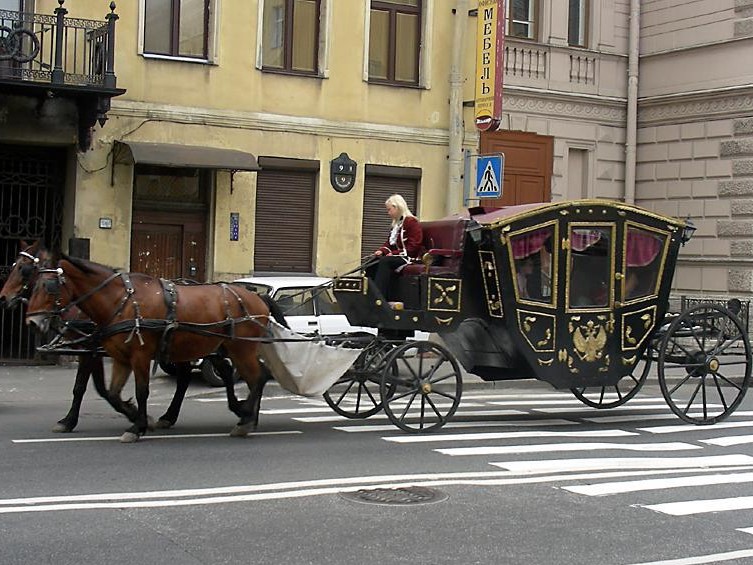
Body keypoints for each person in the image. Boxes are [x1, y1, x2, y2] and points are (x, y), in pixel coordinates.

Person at [366, 194, 423, 303]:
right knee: (372, 262)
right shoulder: (396, 224)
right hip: (397, 256)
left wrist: (395, 253)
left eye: (389, 210)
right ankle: (370, 294)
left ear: (397, 207)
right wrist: (382, 250)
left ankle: (379, 297)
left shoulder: (411, 222)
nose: (388, 213)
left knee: (385, 262)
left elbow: (414, 246)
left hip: (409, 257)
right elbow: (389, 243)